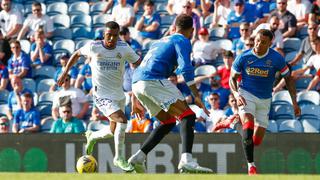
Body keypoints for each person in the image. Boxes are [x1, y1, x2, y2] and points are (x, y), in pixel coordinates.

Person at [128, 14, 212, 173]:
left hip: (137, 83)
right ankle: (186, 160)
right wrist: (197, 95)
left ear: (174, 27)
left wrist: (134, 98)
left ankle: (139, 157)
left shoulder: (158, 41)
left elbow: (141, 69)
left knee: (168, 122)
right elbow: (186, 69)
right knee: (188, 115)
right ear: (192, 30)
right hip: (152, 80)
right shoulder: (182, 40)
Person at [214, 29, 301, 175]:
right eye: (257, 40)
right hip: (246, 94)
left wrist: (294, 102)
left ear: (270, 44)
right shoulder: (244, 57)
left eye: (263, 42)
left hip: (265, 100)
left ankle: (234, 123)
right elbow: (232, 79)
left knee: (256, 141)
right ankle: (251, 167)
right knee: (248, 129)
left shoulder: (276, 58)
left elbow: (288, 79)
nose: (259, 44)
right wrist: (236, 94)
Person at [57, 21, 141, 172]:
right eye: (109, 35)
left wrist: (136, 95)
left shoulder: (124, 48)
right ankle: (119, 159)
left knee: (114, 130)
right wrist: (65, 73)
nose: (111, 39)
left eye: (115, 36)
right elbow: (76, 54)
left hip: (118, 95)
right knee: (122, 120)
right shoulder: (94, 46)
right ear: (104, 35)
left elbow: (138, 64)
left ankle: (93, 136)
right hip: (101, 95)